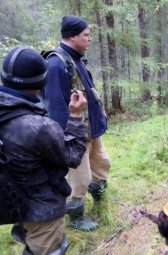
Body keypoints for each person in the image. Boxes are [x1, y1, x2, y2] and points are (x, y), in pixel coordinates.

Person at [0, 47, 87, 254]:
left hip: (8, 200)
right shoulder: (38, 127)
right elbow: (73, 155)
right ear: (40, 82)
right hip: (41, 208)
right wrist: (75, 116)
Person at [43, 15, 111, 231]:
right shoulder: (56, 63)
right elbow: (55, 107)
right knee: (78, 179)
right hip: (75, 134)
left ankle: (100, 197)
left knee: (101, 165)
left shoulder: (77, 59)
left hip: (92, 130)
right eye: (86, 35)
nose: (89, 39)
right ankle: (76, 218)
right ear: (73, 36)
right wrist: (68, 139)